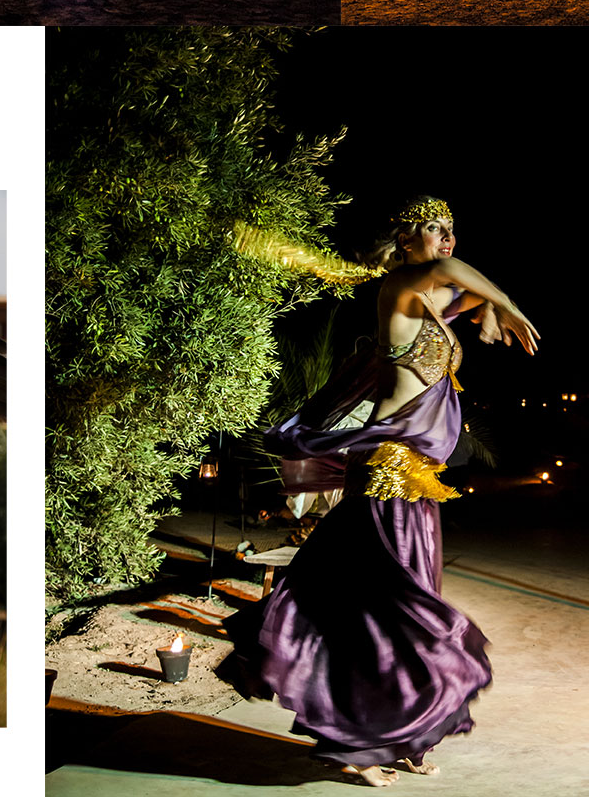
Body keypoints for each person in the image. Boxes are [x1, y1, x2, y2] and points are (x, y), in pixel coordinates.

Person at [225, 197, 540, 788]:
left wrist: (487, 310)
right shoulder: (397, 289)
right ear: (406, 238)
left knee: (408, 601)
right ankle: (355, 743)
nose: (446, 241)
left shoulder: (431, 305)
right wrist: (503, 303)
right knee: (385, 608)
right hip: (385, 472)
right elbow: (457, 277)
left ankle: (403, 731)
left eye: (451, 231)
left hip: (418, 481)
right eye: (434, 230)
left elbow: (460, 290)